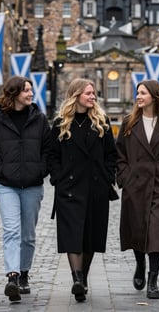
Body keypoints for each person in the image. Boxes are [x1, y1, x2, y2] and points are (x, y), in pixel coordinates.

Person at [48, 78, 117, 302]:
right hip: (69, 189)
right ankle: (77, 278)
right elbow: (52, 156)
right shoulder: (60, 123)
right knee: (72, 234)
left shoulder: (101, 122)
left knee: (90, 236)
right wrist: (58, 178)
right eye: (88, 93)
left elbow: (111, 155)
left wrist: (107, 177)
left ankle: (83, 277)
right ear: (76, 95)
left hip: (96, 188)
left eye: (94, 93)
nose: (93, 97)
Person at [116, 79, 159, 300]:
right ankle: (139, 263)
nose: (138, 96)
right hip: (135, 184)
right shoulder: (128, 122)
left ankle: (153, 279)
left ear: (154, 96)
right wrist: (125, 177)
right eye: (137, 93)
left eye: (143, 93)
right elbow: (119, 155)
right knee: (137, 228)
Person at [0, 76, 50, 302]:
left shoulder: (40, 119)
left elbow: (48, 150)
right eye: (26, 91)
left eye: (31, 90)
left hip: (32, 185)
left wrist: (40, 170)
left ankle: (24, 274)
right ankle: (12, 277)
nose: (31, 94)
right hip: (6, 186)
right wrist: (1, 170)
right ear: (14, 94)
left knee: (28, 235)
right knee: (11, 231)